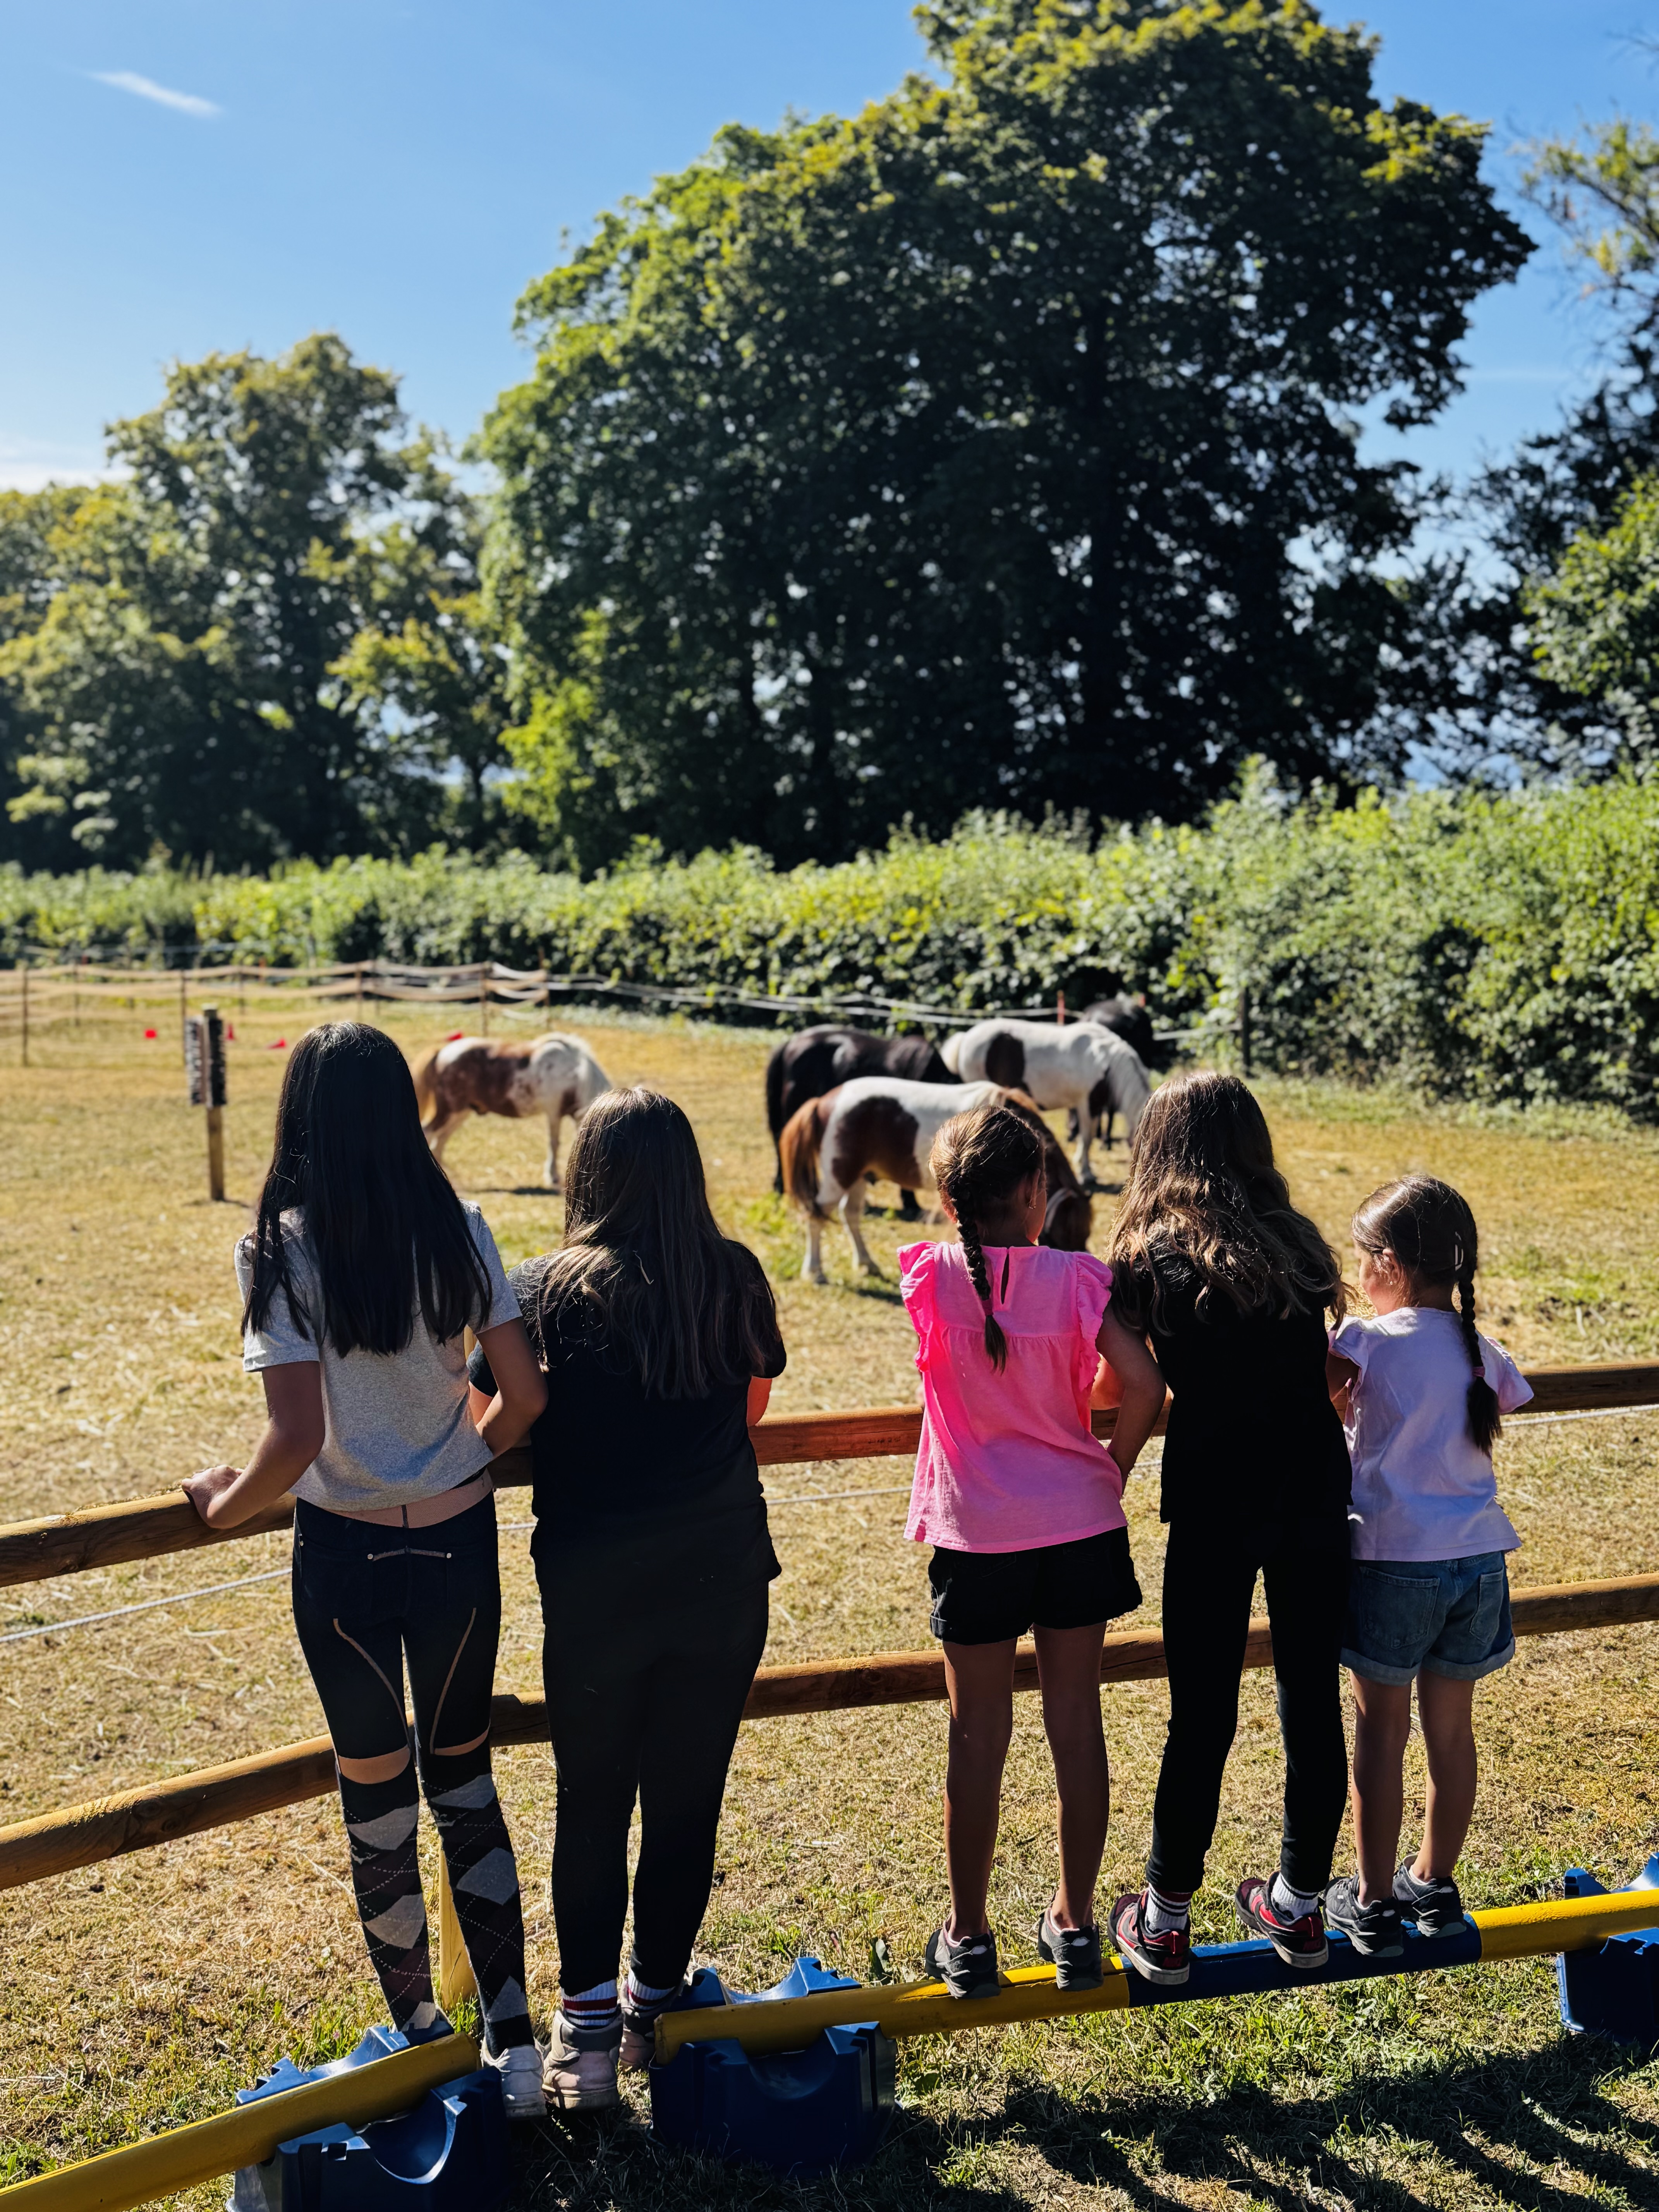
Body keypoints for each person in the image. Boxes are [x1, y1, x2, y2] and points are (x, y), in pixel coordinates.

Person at [183, 1023, 549, 2120]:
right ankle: (518, 2045)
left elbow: (293, 1442)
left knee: (376, 1797)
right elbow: (523, 1399)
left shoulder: (278, 1247)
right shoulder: (461, 1226)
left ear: (299, 1119)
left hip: (341, 1554)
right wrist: (454, 1460)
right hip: (457, 1541)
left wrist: (224, 1508)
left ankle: (421, 2037)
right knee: (467, 1782)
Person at [468, 1086, 785, 2111]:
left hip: (595, 1586)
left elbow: (497, 1423)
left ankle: (589, 2043)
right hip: (723, 1575)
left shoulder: (540, 1292)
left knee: (592, 1803)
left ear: (586, 1176)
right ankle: (657, 2009)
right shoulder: (732, 1276)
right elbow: (753, 1403)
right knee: (687, 1799)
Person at [899, 1099, 1166, 2000]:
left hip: (977, 1535)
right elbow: (1145, 1382)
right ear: (1038, 1192)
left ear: (947, 1199)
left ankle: (968, 1935)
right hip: (1080, 1528)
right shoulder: (1082, 1279)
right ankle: (1076, 1922)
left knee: (977, 1736)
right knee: (1076, 1727)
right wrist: (1112, 1464)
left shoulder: (929, 1279)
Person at [1106, 1071, 1353, 1984]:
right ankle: (1300, 1907)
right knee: (1311, 1706)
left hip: (1214, 1496)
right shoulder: (1297, 1243)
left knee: (1200, 1715)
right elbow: (1321, 1366)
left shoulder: (1145, 1255)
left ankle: (1164, 1920)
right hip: (1316, 1490)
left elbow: (1128, 1382)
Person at [1322, 1175, 1532, 1955]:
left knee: (1382, 1736)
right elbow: (1509, 1396)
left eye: (1361, 1257)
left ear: (1390, 1266)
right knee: (1452, 1733)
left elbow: (1326, 1397)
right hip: (1478, 1563)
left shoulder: (1367, 1341)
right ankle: (1434, 1883)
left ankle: (1372, 1899)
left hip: (1393, 1563)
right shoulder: (1480, 1346)